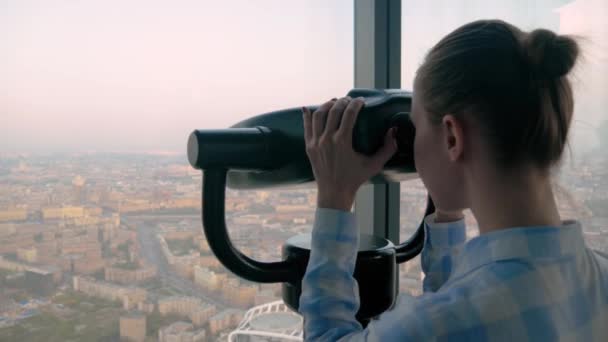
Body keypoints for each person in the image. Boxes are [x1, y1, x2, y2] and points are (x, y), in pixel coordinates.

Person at [299, 19, 608, 341]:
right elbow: (461, 305)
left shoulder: (429, 328)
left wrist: (334, 197)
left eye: (416, 130)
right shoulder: (599, 277)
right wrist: (448, 206)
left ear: (451, 137)